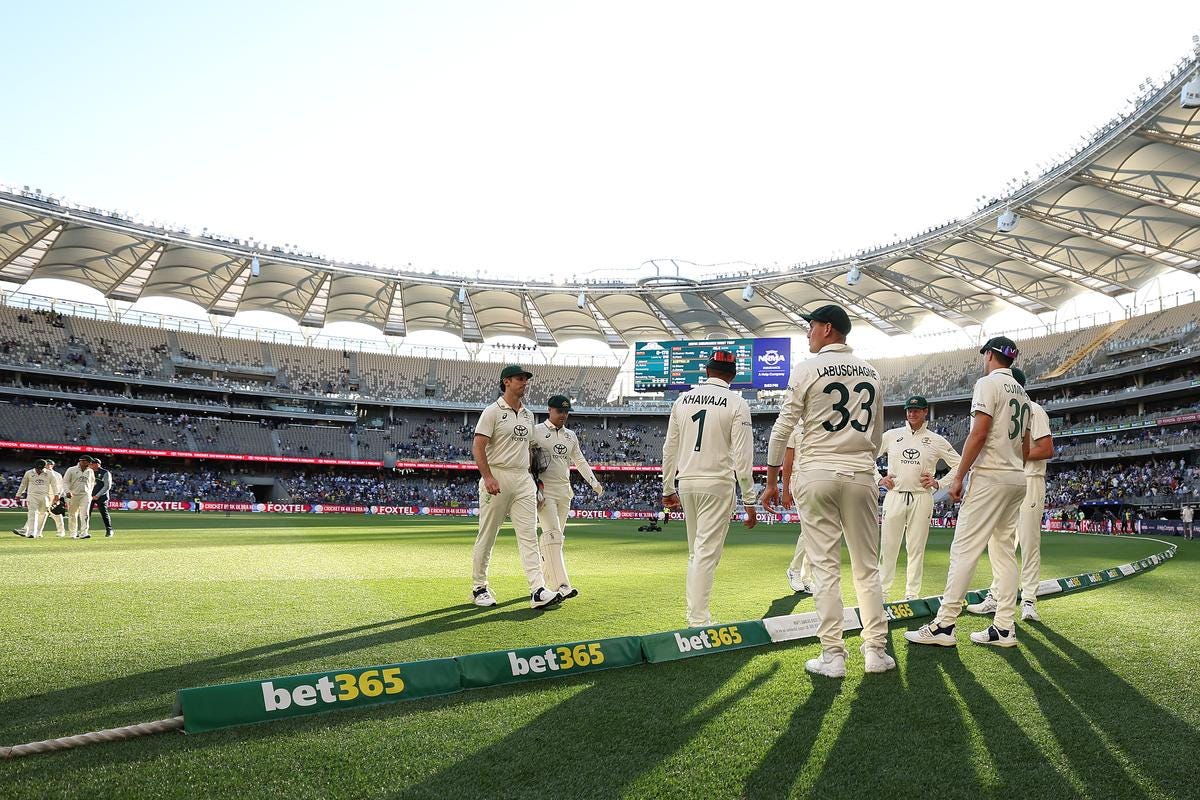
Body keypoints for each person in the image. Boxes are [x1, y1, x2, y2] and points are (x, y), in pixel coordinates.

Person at [762, 304, 892, 677]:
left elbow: (782, 428)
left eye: (812, 326)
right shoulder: (872, 372)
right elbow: (878, 434)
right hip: (861, 474)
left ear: (829, 329)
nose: (808, 333)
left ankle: (833, 656)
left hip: (817, 472)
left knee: (824, 568)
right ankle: (875, 652)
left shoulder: (806, 369)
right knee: (867, 568)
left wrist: (772, 481)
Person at [906, 336, 1031, 649]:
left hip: (990, 478)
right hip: (1017, 477)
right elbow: (1027, 447)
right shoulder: (1023, 394)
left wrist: (958, 476)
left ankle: (945, 624)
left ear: (989, 355)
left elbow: (978, 434)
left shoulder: (988, 383)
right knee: (1004, 553)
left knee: (964, 549)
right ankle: (1004, 626)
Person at [661, 349, 758, 628]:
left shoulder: (682, 400)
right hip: (717, 483)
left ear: (706, 371)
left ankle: (695, 614)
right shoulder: (737, 403)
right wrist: (749, 501)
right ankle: (698, 620)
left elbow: (670, 448)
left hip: (687, 481)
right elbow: (743, 457)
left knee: (696, 552)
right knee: (706, 554)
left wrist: (668, 487)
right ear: (733, 375)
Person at [470, 365, 561, 610]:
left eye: (526, 379)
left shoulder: (529, 415)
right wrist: (488, 477)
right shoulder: (492, 412)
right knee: (488, 535)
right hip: (497, 476)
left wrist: (537, 484)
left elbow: (531, 450)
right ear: (506, 382)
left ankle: (537, 590)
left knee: (529, 535)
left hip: (523, 480)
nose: (525, 383)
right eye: (520, 379)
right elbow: (478, 446)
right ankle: (479, 587)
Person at [967, 368, 1053, 621]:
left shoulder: (1033, 409)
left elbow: (1047, 448)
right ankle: (997, 596)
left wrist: (1015, 455)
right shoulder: (1011, 407)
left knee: (1028, 541)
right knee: (999, 543)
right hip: (1011, 478)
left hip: (1029, 478)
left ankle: (1028, 601)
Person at [877, 395, 961, 601]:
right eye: (909, 410)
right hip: (895, 496)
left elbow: (959, 464)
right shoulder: (891, 435)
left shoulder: (936, 439)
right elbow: (867, 457)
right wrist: (878, 479)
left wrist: (939, 483)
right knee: (888, 548)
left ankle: (911, 595)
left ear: (925, 413)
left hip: (922, 497)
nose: (911, 414)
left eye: (916, 410)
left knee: (916, 549)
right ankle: (882, 593)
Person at [531, 394, 604, 599]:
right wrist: (535, 488)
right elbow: (528, 463)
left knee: (556, 539)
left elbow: (580, 461)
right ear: (549, 410)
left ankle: (544, 583)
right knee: (553, 536)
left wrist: (594, 483)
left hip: (565, 492)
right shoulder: (536, 432)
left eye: (566, 411)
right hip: (545, 492)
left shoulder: (571, 435)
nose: (563, 415)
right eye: (559, 411)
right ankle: (562, 586)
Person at [780, 425, 814, 595]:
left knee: (816, 531)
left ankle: (806, 578)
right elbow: (787, 461)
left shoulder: (821, 422)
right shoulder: (795, 429)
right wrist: (785, 490)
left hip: (818, 479)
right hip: (800, 479)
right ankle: (794, 570)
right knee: (809, 529)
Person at [11, 459, 59, 538]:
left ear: (44, 467)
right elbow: (23, 485)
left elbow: (54, 485)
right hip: (32, 496)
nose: (39, 470)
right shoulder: (29, 473)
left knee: (43, 514)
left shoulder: (50, 474)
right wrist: (18, 495)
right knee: (32, 513)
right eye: (37, 468)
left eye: (41, 468)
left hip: (44, 496)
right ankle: (31, 533)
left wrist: (56, 495)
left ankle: (39, 532)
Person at [63, 455, 97, 539]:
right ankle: (73, 533)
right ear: (83, 461)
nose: (90, 464)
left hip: (85, 495)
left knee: (85, 514)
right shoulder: (71, 469)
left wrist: (89, 493)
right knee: (72, 515)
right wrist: (67, 492)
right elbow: (65, 482)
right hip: (72, 495)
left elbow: (92, 482)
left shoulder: (90, 471)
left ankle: (84, 533)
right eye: (89, 462)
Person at [88, 457, 115, 537]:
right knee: (86, 513)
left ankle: (109, 530)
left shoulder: (105, 473)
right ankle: (83, 531)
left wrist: (97, 495)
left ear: (98, 464)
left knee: (104, 513)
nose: (91, 465)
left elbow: (107, 486)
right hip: (90, 496)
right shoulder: (89, 472)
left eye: (93, 463)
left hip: (102, 496)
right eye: (91, 464)